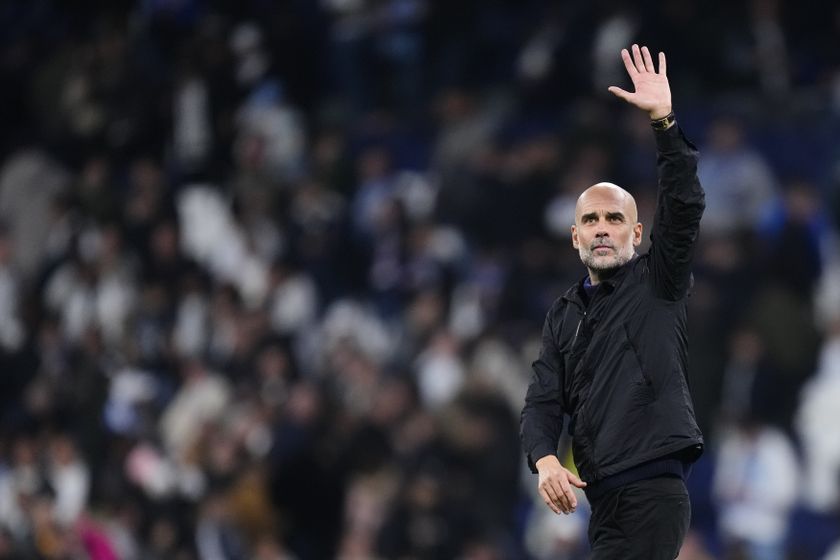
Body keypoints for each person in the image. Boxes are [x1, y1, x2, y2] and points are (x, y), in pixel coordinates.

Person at [520, 44, 705, 559]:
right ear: (574, 237)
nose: (603, 229)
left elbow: (685, 205)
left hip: (652, 492)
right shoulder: (564, 313)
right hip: (604, 503)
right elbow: (541, 402)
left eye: (615, 219)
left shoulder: (658, 281)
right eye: (591, 221)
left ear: (637, 233)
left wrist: (665, 124)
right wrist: (546, 460)